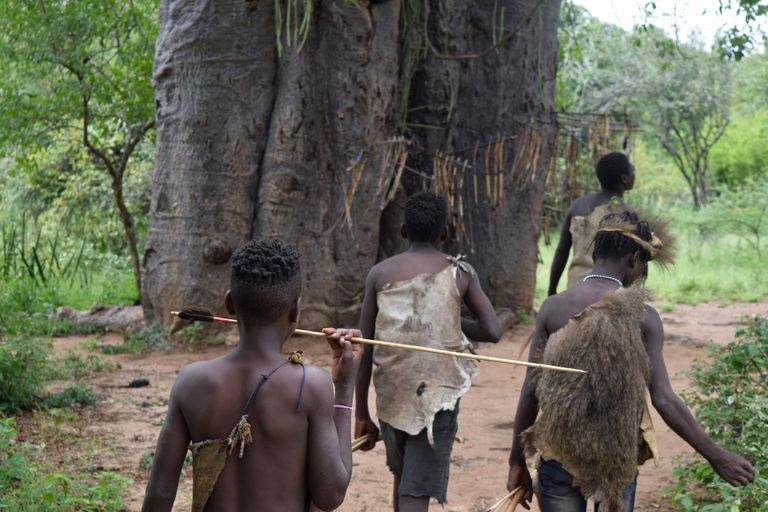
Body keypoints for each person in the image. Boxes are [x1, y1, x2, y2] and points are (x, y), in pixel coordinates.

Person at [507, 210, 755, 512]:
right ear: (634, 259)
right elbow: (663, 399)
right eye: (643, 266)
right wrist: (715, 454)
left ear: (596, 251)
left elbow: (529, 392)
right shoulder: (644, 317)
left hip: (558, 456)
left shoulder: (552, 307)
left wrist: (516, 461)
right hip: (616, 460)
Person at [141, 237, 363, 512]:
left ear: (229, 303)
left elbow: (159, 494)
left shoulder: (190, 382)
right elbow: (331, 495)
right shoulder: (312, 385)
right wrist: (343, 387)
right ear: (296, 309)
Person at [354, 191, 503, 512]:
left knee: (405, 474)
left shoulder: (379, 273)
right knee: (415, 489)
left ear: (403, 230)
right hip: (437, 396)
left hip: (391, 392)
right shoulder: (461, 272)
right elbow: (493, 330)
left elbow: (363, 348)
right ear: (444, 234)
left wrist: (361, 413)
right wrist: (449, 320)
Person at [548, 152, 636, 296]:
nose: (634, 175)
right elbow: (636, 262)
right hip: (611, 293)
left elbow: (561, 251)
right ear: (624, 178)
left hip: (576, 288)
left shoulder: (577, 205)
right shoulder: (630, 214)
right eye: (632, 171)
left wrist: (552, 291)